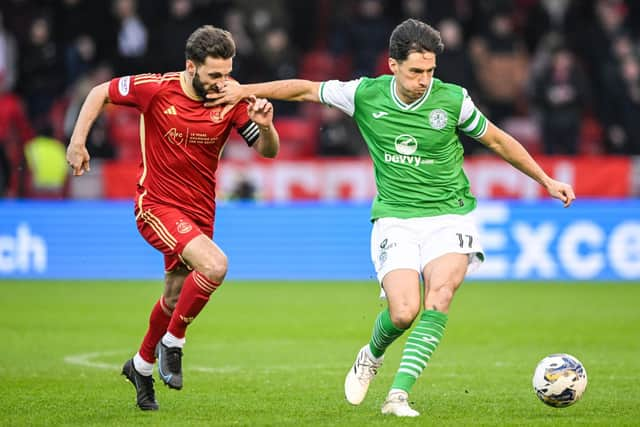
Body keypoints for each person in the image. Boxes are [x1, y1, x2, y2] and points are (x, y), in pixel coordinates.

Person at [209, 18, 575, 417]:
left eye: (430, 70)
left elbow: (498, 140)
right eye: (416, 71)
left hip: (450, 215)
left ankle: (397, 395)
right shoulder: (364, 93)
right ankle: (371, 354)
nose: (424, 80)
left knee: (439, 297)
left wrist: (545, 179)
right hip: (395, 219)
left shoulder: (452, 100)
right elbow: (305, 89)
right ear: (393, 65)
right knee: (403, 312)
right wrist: (244, 90)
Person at [66, 25, 280, 411]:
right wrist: (78, 140)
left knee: (173, 295)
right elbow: (101, 92)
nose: (222, 82)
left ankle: (141, 366)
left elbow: (267, 152)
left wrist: (267, 129)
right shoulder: (157, 88)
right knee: (215, 265)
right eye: (214, 74)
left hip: (200, 213)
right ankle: (173, 342)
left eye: (227, 73)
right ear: (190, 66)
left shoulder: (231, 100)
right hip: (157, 206)